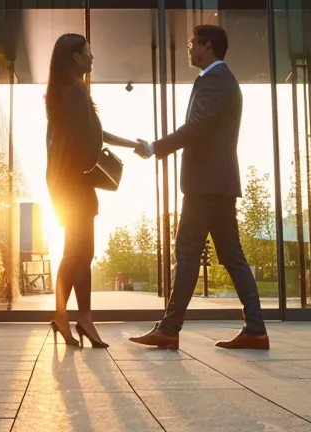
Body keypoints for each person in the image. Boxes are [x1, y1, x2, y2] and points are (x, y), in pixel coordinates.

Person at [129, 24, 269, 351]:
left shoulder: (217, 80)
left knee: (188, 252)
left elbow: (197, 127)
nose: (189, 48)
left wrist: (155, 147)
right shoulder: (217, 80)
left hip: (206, 185)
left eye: (193, 43)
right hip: (216, 184)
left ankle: (169, 328)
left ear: (208, 45)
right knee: (233, 257)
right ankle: (255, 330)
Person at [45, 33, 141, 348]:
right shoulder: (73, 93)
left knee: (80, 252)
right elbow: (83, 142)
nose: (92, 56)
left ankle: (72, 316)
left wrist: (132, 144)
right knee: (77, 251)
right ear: (75, 56)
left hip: (70, 183)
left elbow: (96, 133)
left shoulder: (68, 92)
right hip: (74, 185)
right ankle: (74, 316)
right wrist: (95, 166)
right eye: (88, 51)